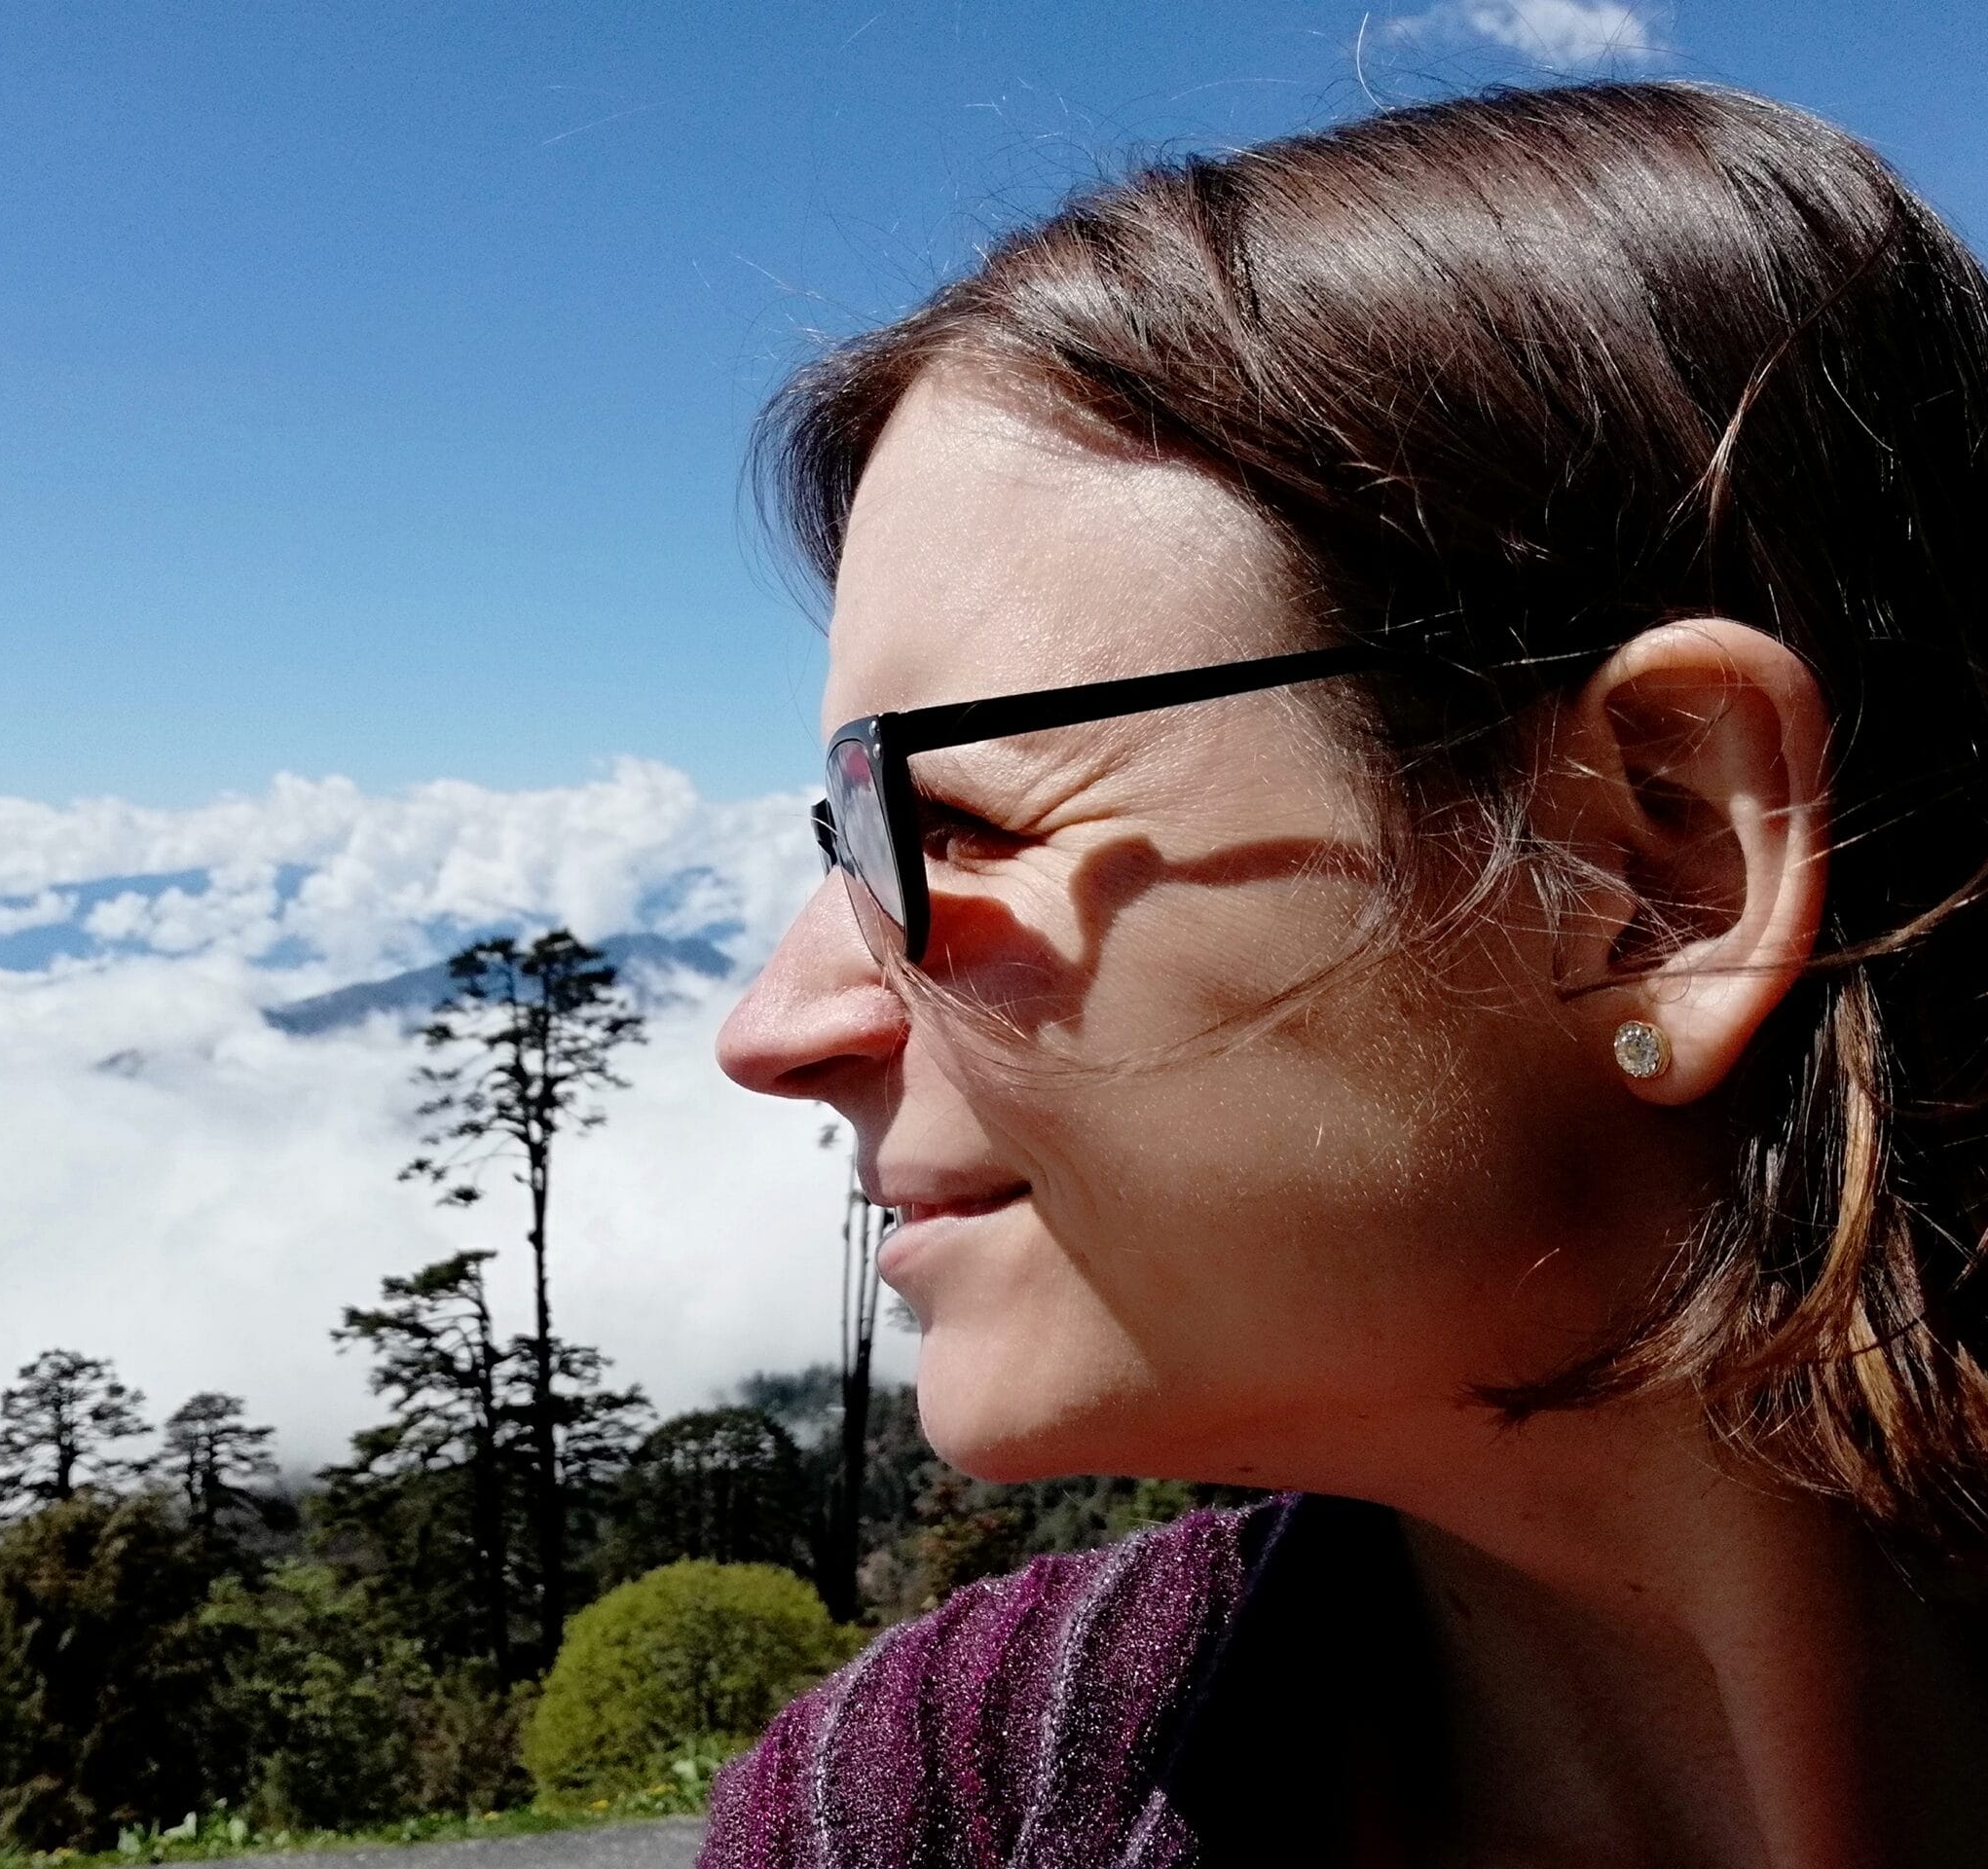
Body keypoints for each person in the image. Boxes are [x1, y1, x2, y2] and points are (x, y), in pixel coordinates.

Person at [703, 80, 1988, 1869]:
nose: (772, 1029)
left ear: (1663, 864)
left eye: (954, 819)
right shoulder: (942, 1800)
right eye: (840, 835)